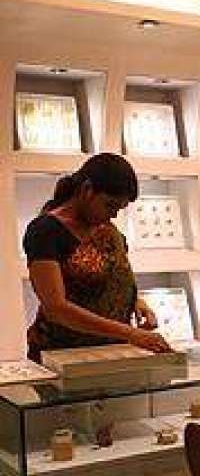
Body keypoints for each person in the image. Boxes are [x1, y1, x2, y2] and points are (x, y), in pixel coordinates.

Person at [23, 154, 170, 363]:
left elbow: (111, 278)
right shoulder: (46, 231)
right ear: (87, 189)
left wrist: (137, 302)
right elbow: (56, 307)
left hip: (110, 353)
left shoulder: (106, 228)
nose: (114, 215)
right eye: (110, 205)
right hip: (63, 356)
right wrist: (131, 333)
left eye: (118, 209)